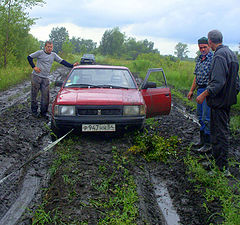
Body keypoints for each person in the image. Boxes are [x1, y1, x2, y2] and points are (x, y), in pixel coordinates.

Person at [196, 30, 240, 172]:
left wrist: (204, 95)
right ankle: (218, 163)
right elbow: (237, 83)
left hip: (219, 103)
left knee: (219, 134)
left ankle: (221, 168)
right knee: (221, 132)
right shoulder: (231, 54)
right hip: (226, 102)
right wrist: (230, 96)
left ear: (210, 41)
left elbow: (218, 82)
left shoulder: (219, 55)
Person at [27, 41, 79, 118]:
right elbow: (29, 57)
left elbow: (62, 61)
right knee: (34, 95)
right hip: (36, 76)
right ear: (45, 47)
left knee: (46, 96)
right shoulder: (40, 53)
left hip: (45, 78)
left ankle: (43, 113)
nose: (49, 48)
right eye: (48, 47)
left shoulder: (53, 55)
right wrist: (34, 67)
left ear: (52, 47)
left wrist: (71, 65)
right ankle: (34, 112)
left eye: (51, 47)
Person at [187, 37, 213, 153]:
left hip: (208, 91)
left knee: (207, 118)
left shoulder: (213, 59)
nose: (202, 49)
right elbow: (196, 77)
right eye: (200, 47)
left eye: (204, 47)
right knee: (200, 116)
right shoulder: (199, 59)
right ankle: (202, 141)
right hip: (199, 89)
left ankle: (208, 143)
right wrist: (191, 90)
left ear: (209, 46)